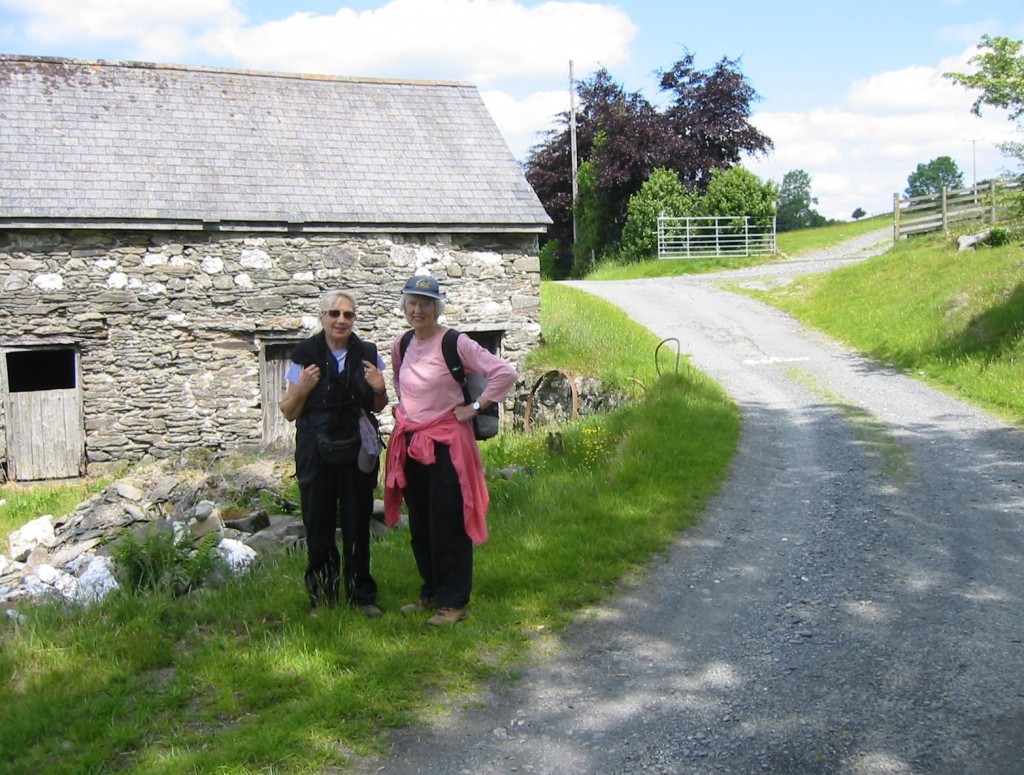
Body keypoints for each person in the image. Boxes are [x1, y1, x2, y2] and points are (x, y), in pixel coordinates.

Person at [383, 275, 517, 626]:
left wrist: (475, 407)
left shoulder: (455, 342)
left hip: (447, 445)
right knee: (421, 523)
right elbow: (400, 384)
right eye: (412, 303)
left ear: (437, 308)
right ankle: (431, 593)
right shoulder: (401, 344)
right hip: (412, 442)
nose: (418, 310)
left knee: (448, 522)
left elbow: (504, 373)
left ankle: (454, 602)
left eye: (426, 303)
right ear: (404, 306)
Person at [279, 290, 389, 618]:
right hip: (315, 448)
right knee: (318, 522)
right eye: (334, 314)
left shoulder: (367, 353)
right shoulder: (305, 355)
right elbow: (288, 411)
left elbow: (378, 405)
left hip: (356, 448)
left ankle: (361, 595)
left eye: (348, 315)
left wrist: (380, 387)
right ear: (322, 317)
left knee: (358, 521)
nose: (341, 320)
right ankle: (322, 598)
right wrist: (303, 388)